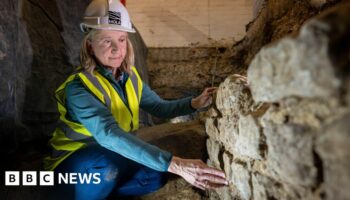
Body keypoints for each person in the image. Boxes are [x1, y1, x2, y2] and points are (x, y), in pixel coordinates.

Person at [44, 0, 228, 199]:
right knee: (106, 165)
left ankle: (104, 193)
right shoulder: (78, 88)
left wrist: (194, 103)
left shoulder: (130, 79)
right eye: (107, 40)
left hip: (112, 155)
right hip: (72, 166)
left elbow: (160, 108)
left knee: (155, 175)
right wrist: (176, 164)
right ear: (90, 46)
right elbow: (109, 135)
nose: (117, 48)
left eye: (121, 39)